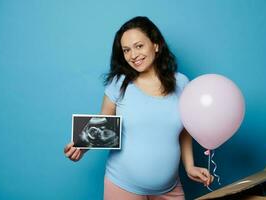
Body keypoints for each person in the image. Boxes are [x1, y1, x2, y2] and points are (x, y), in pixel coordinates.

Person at [64, 16, 213, 200]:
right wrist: (81, 147)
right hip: (122, 187)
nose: (133, 55)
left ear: (156, 45)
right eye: (126, 50)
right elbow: (103, 125)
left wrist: (190, 165)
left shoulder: (182, 83)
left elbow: (184, 130)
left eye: (139, 46)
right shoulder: (118, 84)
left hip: (169, 188)